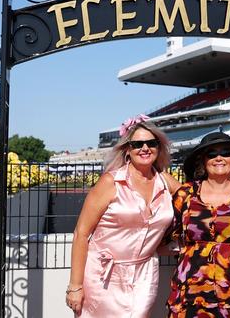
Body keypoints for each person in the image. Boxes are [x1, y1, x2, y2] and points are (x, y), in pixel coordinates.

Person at [65, 115, 181, 317]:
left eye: (151, 143)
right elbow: (81, 234)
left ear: (158, 147)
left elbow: (197, 205)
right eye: (137, 144)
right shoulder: (110, 182)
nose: (145, 148)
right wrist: (75, 286)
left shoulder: (166, 182)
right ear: (128, 149)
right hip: (103, 277)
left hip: (144, 275)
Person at [165, 132, 230, 317]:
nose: (219, 158)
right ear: (203, 161)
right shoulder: (186, 194)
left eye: (226, 153)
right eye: (211, 154)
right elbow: (164, 232)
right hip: (190, 291)